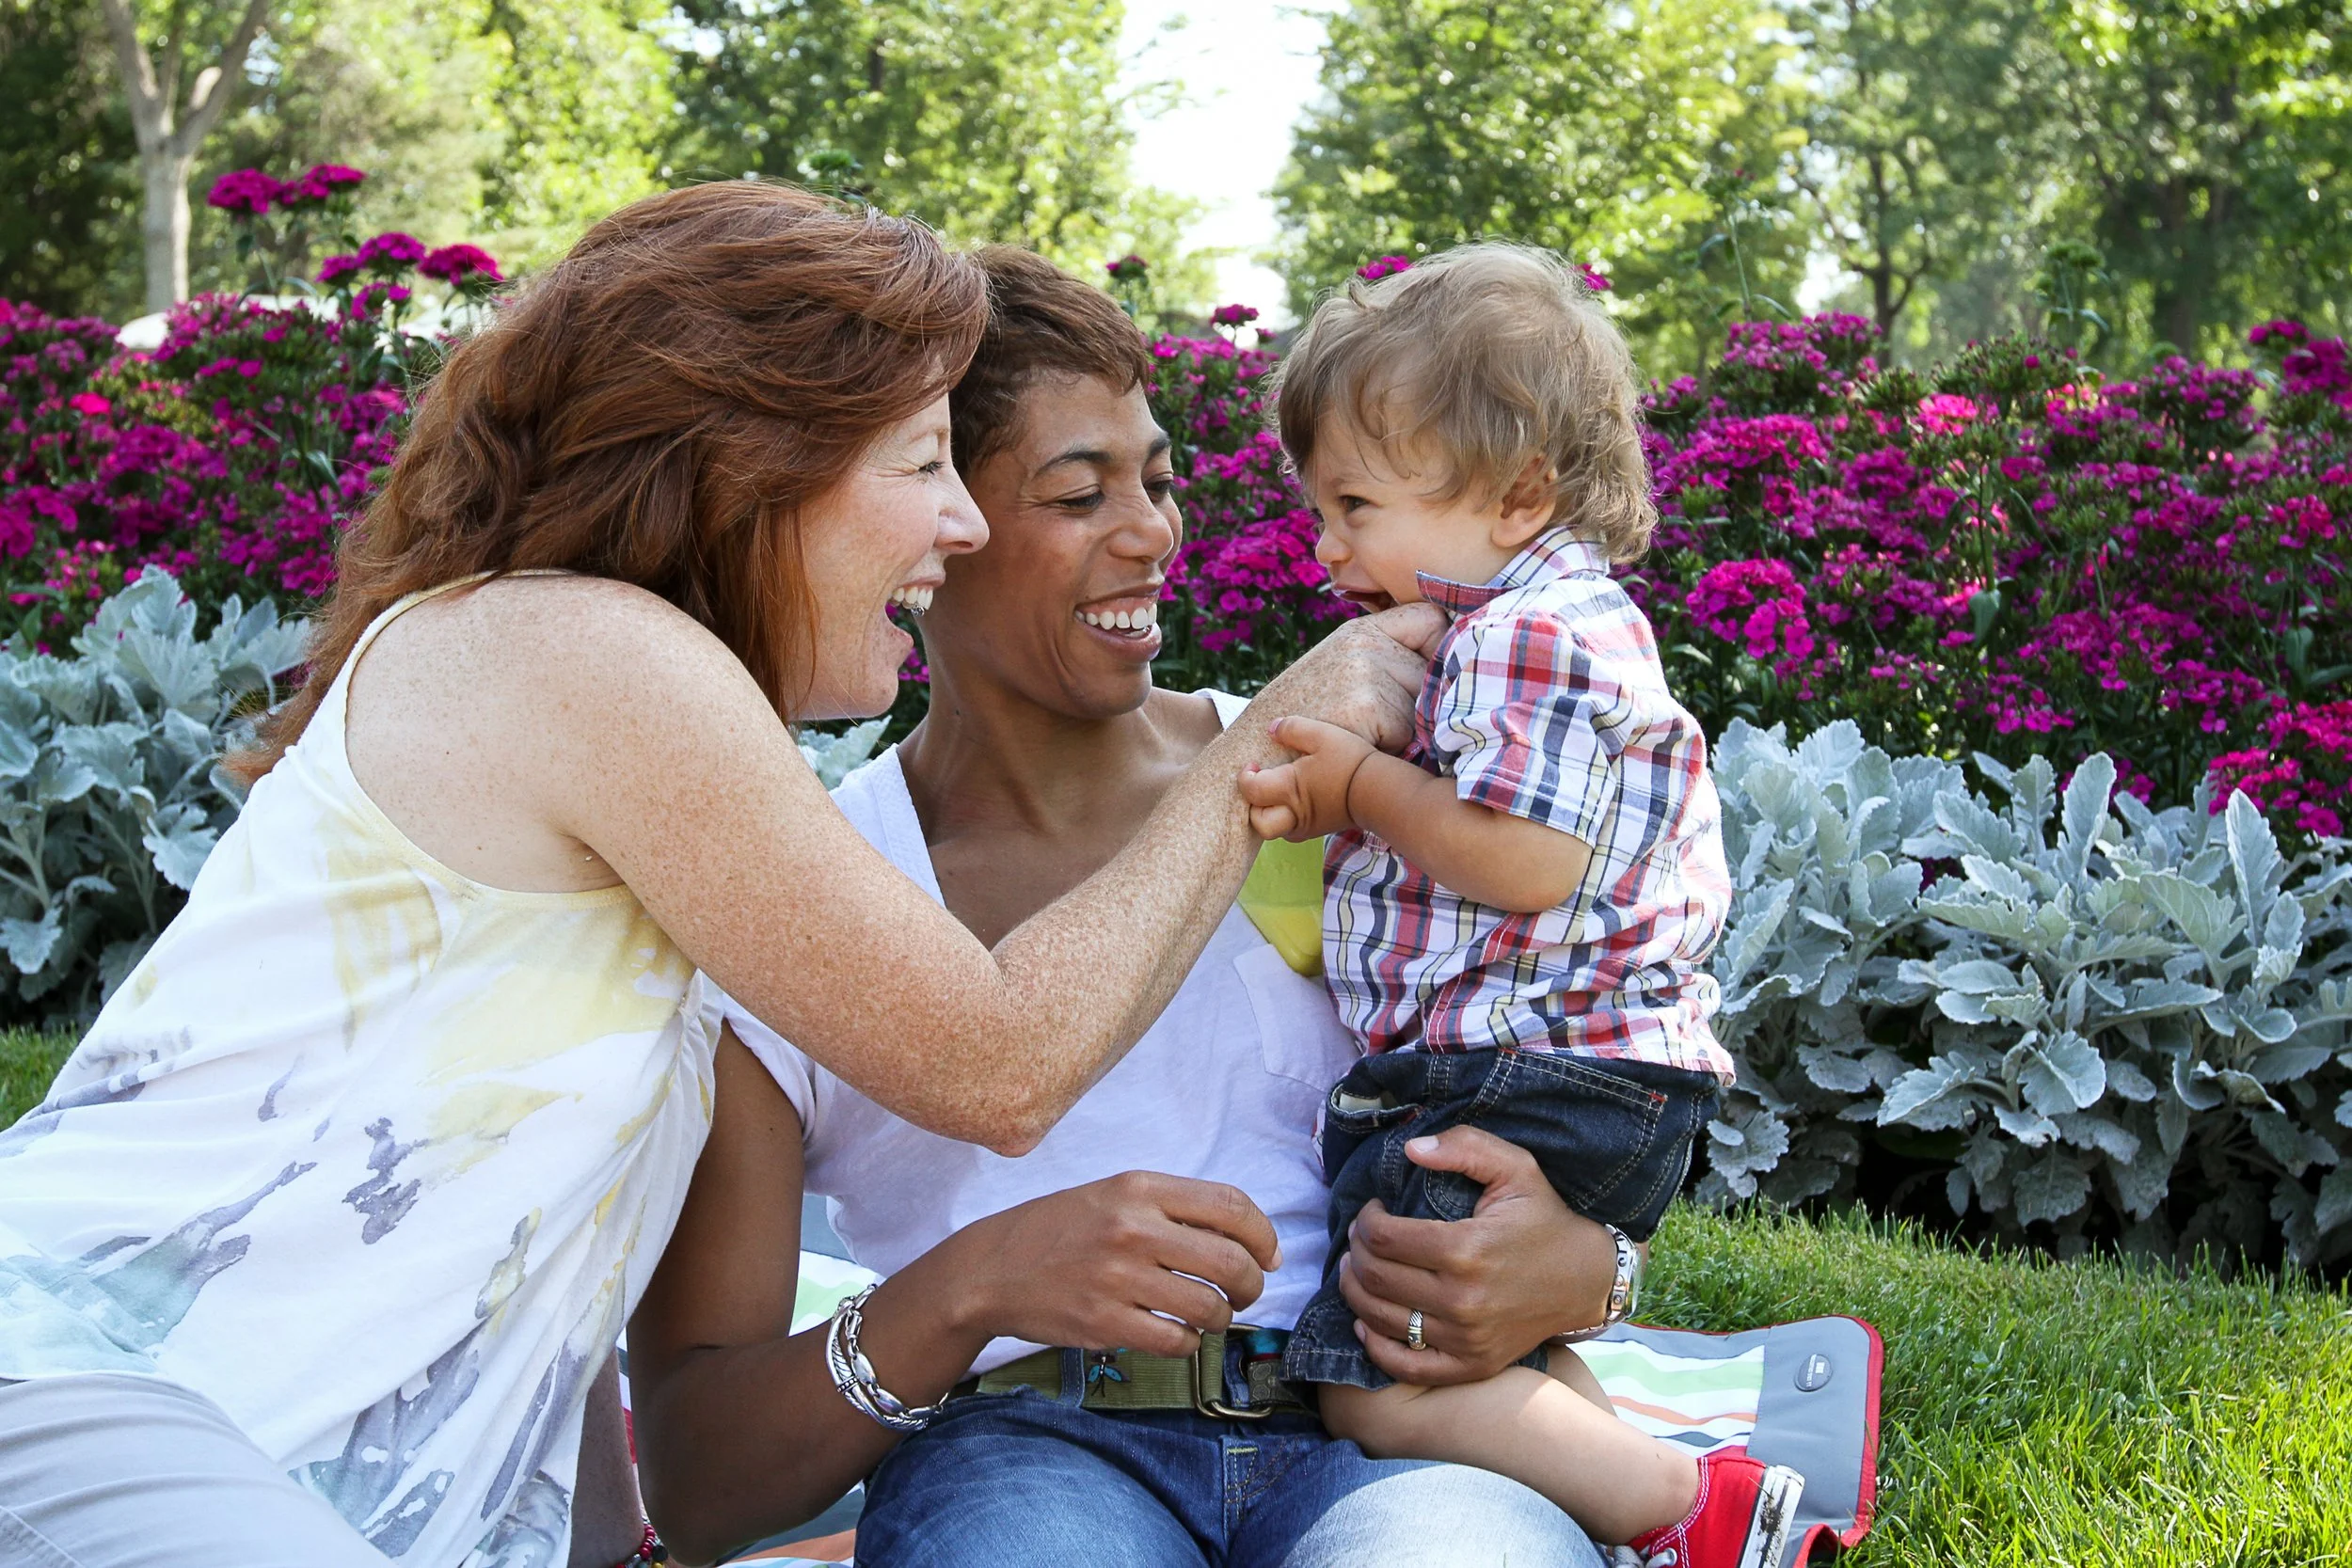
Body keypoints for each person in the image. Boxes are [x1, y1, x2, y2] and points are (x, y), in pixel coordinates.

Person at [0, 186, 1438, 1568]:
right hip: (83, 1397)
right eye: (925, 464)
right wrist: (1268, 740)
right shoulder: (581, 650)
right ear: (759, 463)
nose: (961, 525)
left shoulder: (646, 727)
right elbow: (997, 1064)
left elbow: (529, 1274)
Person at [626, 247, 1636, 1568]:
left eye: (1157, 479)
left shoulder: (1337, 783)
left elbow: (1567, 1068)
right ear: (937, 525)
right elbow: (703, 1478)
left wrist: (1591, 1267)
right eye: (1079, 490)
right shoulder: (818, 895)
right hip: (1024, 1454)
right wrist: (977, 1283)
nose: (1156, 529)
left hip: (1391, 1435)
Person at [1232, 242, 1803, 1568]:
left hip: (1528, 1076)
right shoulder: (1529, 622)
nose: (1327, 548)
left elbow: (1529, 859)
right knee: (1501, 1348)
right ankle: (1641, 1518)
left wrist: (1367, 784)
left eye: (1358, 504)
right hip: (1578, 1072)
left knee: (1379, 1378)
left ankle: (1695, 1507)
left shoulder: (1523, 634)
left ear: (1519, 495)